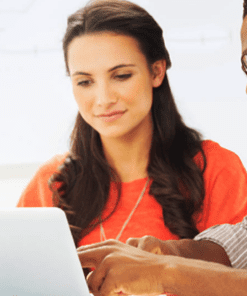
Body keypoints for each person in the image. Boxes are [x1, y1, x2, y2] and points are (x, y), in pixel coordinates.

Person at [17, 0, 247, 282]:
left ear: (156, 71)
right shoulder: (51, 182)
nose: (103, 99)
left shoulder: (215, 169)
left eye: (121, 76)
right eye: (85, 82)